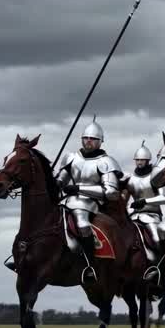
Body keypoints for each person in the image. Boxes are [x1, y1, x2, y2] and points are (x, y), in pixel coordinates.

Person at [54, 117, 121, 283]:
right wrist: (54, 183)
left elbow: (111, 192)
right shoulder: (70, 158)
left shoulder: (105, 162)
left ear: (100, 142)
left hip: (89, 204)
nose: (88, 141)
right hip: (66, 200)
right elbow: (61, 180)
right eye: (86, 138)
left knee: (82, 224)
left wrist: (78, 188)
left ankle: (90, 265)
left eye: (93, 139)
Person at [126, 141, 165, 283]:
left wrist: (145, 202)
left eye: (142, 160)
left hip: (152, 216)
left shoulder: (155, 177)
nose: (139, 162)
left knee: (157, 240)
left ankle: (161, 269)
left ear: (148, 161)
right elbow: (124, 196)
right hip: (133, 215)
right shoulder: (130, 178)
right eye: (137, 160)